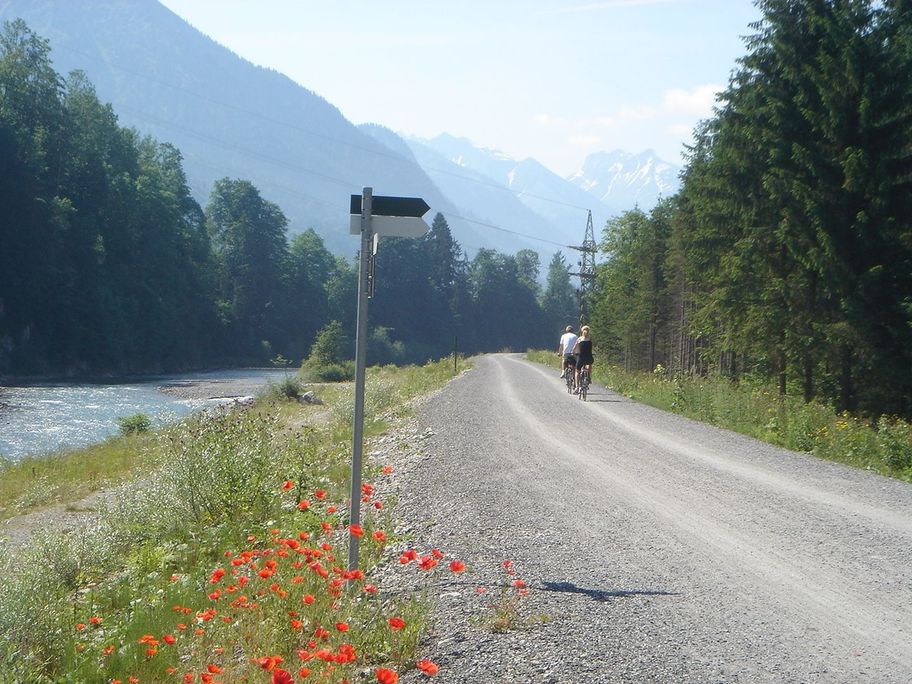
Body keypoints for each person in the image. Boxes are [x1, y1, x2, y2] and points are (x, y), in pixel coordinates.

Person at [572, 325, 594, 392]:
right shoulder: (590, 339)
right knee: (589, 364)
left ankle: (577, 387)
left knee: (577, 371)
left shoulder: (579, 339)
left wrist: (574, 353)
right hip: (589, 357)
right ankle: (589, 377)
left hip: (581, 358)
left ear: (582, 331)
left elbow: (574, 349)